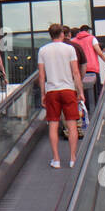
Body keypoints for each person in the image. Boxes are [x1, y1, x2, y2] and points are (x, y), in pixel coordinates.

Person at [37, 23, 82, 168]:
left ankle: (56, 159)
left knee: (53, 125)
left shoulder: (43, 51)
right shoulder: (70, 49)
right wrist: (80, 91)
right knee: (72, 125)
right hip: (68, 89)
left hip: (51, 91)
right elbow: (75, 72)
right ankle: (73, 158)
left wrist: (42, 93)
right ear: (62, 34)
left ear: (50, 35)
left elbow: (42, 75)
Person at [72, 24, 105, 109]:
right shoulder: (92, 38)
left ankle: (85, 111)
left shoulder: (74, 41)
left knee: (83, 91)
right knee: (95, 92)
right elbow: (100, 53)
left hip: (79, 70)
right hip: (92, 69)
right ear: (88, 31)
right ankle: (96, 112)